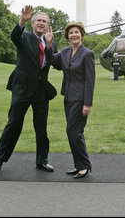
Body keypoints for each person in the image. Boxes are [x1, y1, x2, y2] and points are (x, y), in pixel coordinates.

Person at [0, 5, 58, 174]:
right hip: (22, 89)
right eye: (39, 21)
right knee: (14, 123)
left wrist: (49, 47)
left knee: (41, 128)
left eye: (44, 21)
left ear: (48, 25)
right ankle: (0, 159)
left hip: (41, 91)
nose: (42, 23)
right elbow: (14, 36)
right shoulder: (25, 37)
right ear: (33, 23)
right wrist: (22, 20)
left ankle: (42, 161)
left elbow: (51, 63)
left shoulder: (50, 42)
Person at [49, 21, 95, 179]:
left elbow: (90, 80)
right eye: (71, 33)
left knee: (73, 132)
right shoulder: (65, 52)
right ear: (67, 37)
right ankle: (81, 165)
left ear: (81, 35)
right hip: (68, 97)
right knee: (75, 133)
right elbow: (51, 60)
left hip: (80, 99)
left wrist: (87, 103)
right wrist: (49, 44)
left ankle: (84, 166)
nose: (74, 35)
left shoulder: (87, 54)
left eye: (76, 32)